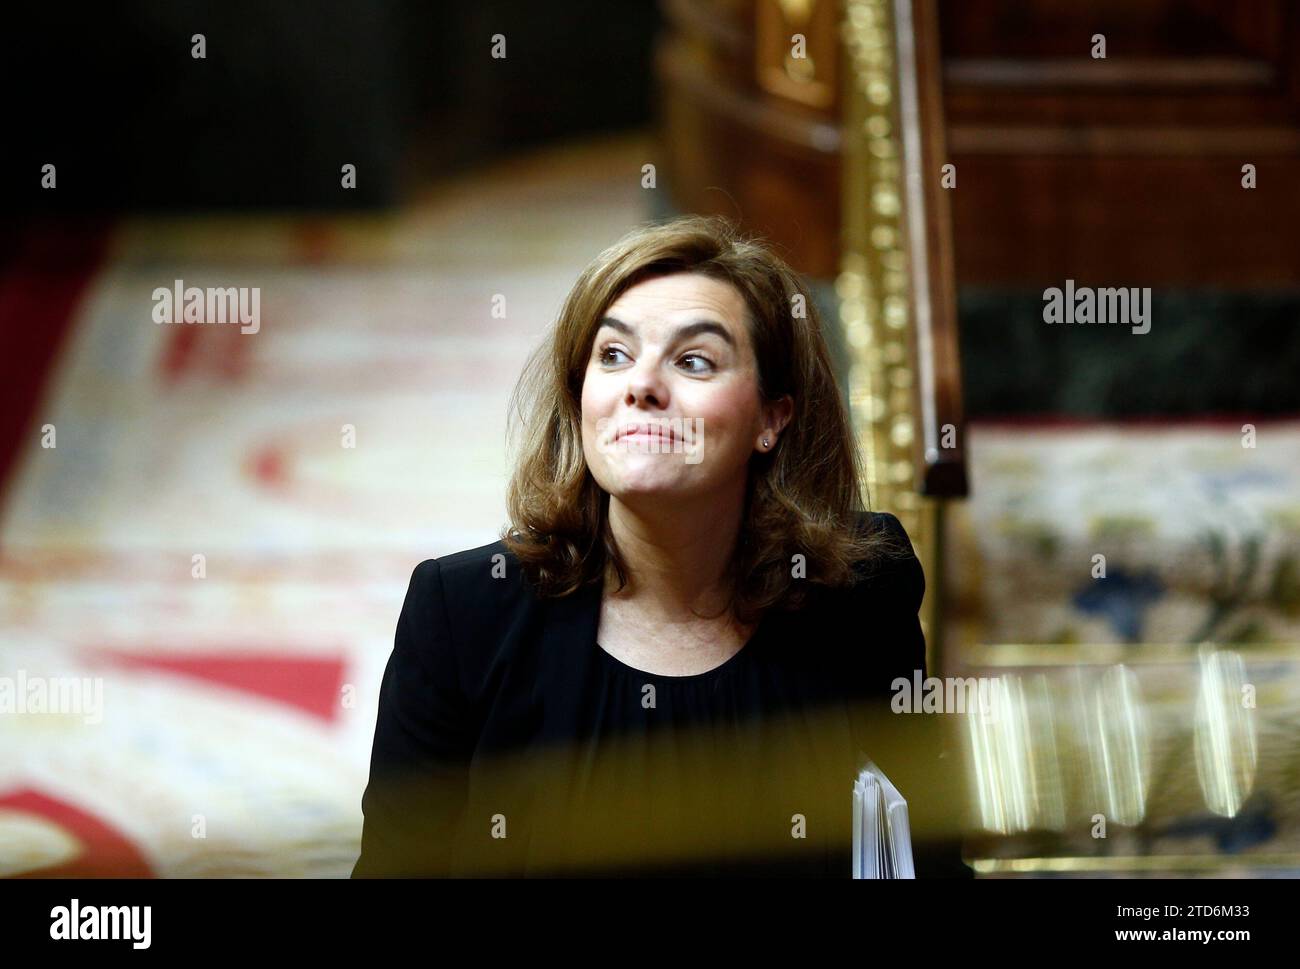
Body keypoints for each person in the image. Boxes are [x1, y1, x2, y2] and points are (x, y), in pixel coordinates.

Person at [353, 214, 968, 877]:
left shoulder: (861, 589)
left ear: (771, 418)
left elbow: (920, 854)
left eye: (694, 360)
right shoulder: (465, 614)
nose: (640, 385)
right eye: (613, 355)